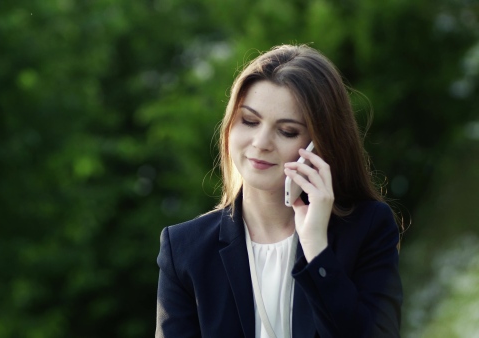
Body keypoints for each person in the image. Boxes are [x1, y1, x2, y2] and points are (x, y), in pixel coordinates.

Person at [155, 44, 403, 338]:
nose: (261, 142)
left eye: (286, 131)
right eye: (249, 121)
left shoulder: (368, 228)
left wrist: (316, 249)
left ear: (320, 145)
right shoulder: (184, 248)